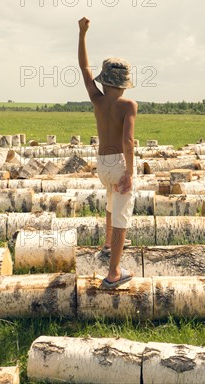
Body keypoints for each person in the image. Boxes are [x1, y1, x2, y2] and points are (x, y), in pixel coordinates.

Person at [78, 16, 137, 289]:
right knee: (122, 212)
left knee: (111, 200)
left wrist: (82, 34)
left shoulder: (97, 100)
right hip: (117, 163)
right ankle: (114, 272)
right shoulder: (129, 105)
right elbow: (128, 141)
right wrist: (131, 172)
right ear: (123, 83)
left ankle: (106, 243)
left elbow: (83, 69)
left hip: (101, 164)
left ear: (105, 81)